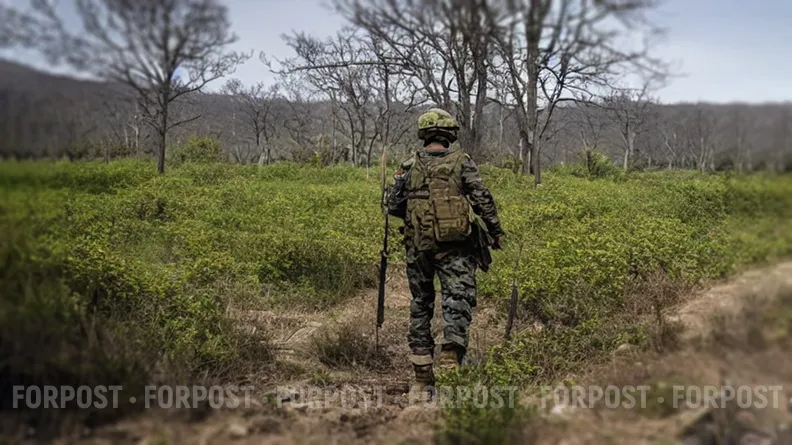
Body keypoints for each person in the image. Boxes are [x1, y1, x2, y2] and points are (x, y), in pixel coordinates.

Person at [387, 108, 505, 399]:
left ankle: (421, 377)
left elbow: (393, 206)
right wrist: (496, 232)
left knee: (420, 304)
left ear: (424, 135)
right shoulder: (462, 162)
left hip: (418, 248)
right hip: (456, 248)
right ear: (450, 134)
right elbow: (481, 199)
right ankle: (451, 361)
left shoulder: (408, 164)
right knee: (457, 301)